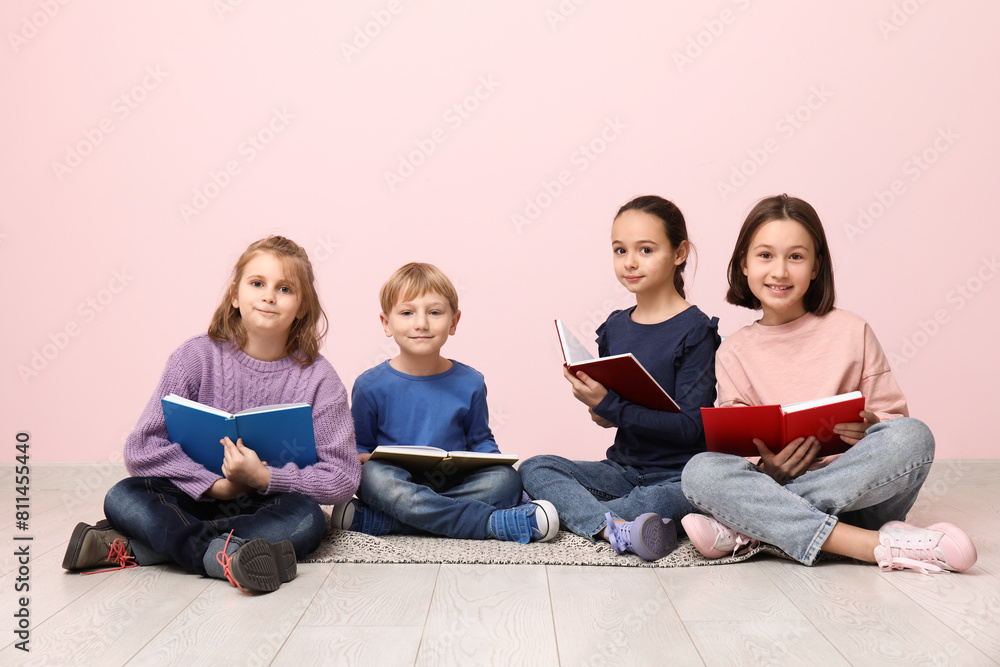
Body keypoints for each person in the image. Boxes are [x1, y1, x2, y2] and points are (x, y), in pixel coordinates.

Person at [680, 194, 977, 573]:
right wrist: (769, 469)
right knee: (700, 470)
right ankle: (872, 545)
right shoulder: (733, 351)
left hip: (864, 498)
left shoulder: (853, 330)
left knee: (914, 436)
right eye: (766, 255)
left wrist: (872, 425)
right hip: (778, 484)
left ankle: (752, 528)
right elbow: (738, 443)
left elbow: (895, 422)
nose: (780, 272)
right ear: (744, 264)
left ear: (817, 266)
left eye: (796, 257)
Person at [62, 236, 362, 594]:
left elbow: (343, 476)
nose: (269, 296)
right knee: (124, 495)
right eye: (257, 284)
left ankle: (142, 546)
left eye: (284, 288)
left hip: (264, 505)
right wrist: (216, 486)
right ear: (234, 295)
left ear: (302, 307)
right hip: (188, 497)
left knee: (308, 520)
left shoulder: (320, 379)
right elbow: (142, 448)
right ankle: (221, 554)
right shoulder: (194, 358)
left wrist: (265, 477)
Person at [519, 195, 720, 561]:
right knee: (535, 467)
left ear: (679, 253)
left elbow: (694, 427)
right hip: (621, 471)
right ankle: (614, 527)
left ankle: (584, 513)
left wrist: (610, 405)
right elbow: (617, 412)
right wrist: (600, 409)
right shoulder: (614, 326)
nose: (629, 262)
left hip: (677, 476)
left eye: (645, 249)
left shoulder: (696, 330)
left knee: (660, 498)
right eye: (619, 250)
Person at [331, 262, 558, 543]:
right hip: (398, 482)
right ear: (386, 323)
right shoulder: (369, 385)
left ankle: (392, 521)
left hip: (453, 483)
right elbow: (359, 448)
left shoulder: (471, 382)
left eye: (435, 312)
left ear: (453, 322)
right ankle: (488, 524)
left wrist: (494, 461)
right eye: (407, 313)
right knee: (371, 477)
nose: (421, 323)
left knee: (506, 480)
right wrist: (363, 457)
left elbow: (481, 440)